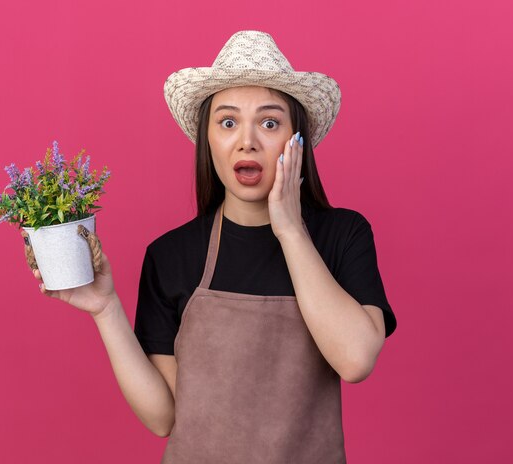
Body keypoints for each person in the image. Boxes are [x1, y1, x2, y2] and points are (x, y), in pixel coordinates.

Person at [28, 30, 397, 463]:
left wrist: (291, 230)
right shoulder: (171, 255)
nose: (247, 141)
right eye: (227, 122)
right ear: (208, 141)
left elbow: (355, 360)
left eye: (270, 122)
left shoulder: (342, 235)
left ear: (297, 142)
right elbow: (164, 417)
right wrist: (106, 310)